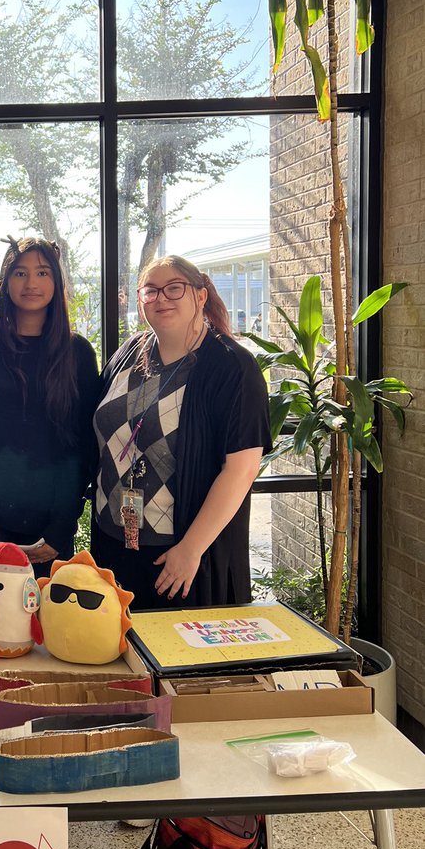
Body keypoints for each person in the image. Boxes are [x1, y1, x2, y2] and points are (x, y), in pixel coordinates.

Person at [92, 254, 271, 610]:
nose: (161, 299)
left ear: (200, 295)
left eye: (175, 288)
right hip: (112, 543)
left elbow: (242, 469)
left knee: (176, 660)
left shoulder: (231, 366)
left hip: (179, 559)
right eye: (151, 291)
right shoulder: (130, 353)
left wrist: (190, 550)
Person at [0, 236, 100, 578]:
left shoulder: (77, 353)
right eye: (20, 273)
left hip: (51, 531)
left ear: (56, 282)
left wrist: (63, 524)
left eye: (43, 272)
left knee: (48, 625)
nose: (31, 283)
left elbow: (81, 446)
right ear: (5, 282)